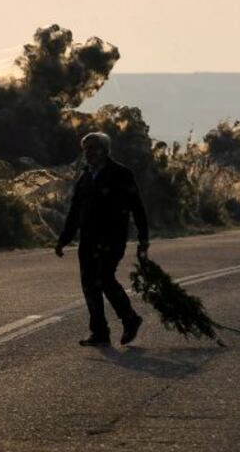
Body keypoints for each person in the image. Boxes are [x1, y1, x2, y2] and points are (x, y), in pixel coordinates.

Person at [55, 132, 149, 346]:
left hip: (112, 239)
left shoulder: (121, 174)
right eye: (86, 149)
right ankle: (99, 332)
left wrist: (144, 239)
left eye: (93, 148)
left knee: (105, 279)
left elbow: (137, 207)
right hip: (88, 240)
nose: (89, 153)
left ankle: (130, 319)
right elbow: (75, 212)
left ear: (105, 150)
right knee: (89, 284)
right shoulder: (85, 178)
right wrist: (63, 240)